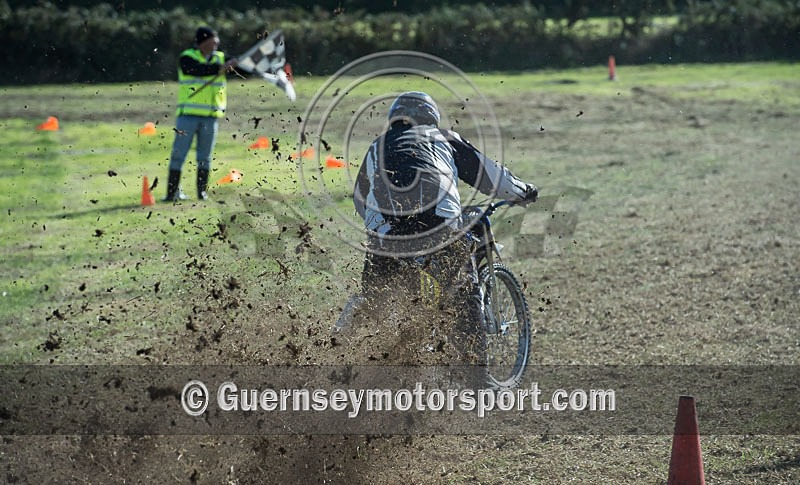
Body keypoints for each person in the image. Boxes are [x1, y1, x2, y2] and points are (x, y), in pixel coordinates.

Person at [351, 91, 538, 373]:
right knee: (464, 295)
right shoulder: (443, 137)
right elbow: (492, 177)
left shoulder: (376, 146)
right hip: (437, 226)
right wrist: (523, 191)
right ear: (430, 116)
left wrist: (385, 226)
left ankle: (344, 351)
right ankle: (476, 382)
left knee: (372, 301)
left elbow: (359, 199)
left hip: (384, 236)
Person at [164, 26, 238, 202]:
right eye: (213, 41)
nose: (216, 44)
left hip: (210, 117)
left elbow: (240, 68)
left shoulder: (220, 57)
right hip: (187, 115)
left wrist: (236, 64)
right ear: (203, 42)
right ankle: (172, 193)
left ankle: (202, 193)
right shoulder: (187, 57)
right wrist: (221, 68)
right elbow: (197, 70)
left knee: (204, 157)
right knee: (178, 155)